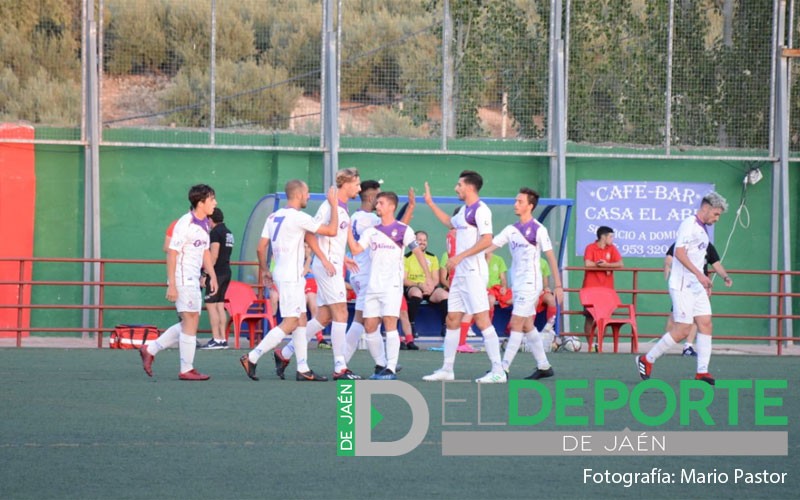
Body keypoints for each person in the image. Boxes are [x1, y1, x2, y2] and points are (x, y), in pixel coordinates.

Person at [239, 180, 339, 382]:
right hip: (292, 276)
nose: (309, 196)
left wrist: (266, 270)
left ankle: (303, 368)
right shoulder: (299, 217)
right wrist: (334, 205)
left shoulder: (273, 216)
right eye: (308, 193)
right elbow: (331, 230)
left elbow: (261, 248)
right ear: (299, 194)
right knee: (292, 321)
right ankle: (252, 356)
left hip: (284, 274)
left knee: (301, 318)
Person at [272, 168, 362, 381]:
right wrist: (322, 258)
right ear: (346, 184)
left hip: (333, 264)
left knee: (325, 316)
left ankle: (284, 353)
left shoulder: (343, 207)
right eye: (357, 183)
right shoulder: (329, 206)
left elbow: (335, 238)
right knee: (342, 313)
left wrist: (344, 257)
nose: (359, 188)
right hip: (327, 267)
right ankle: (340, 367)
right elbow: (310, 233)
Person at [422, 170, 506, 383]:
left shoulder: (481, 210)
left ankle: (498, 371)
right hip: (460, 275)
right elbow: (450, 223)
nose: (456, 188)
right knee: (452, 319)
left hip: (474, 273)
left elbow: (488, 239)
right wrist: (430, 203)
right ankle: (447, 369)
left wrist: (460, 257)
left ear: (469, 187)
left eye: (459, 185)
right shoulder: (464, 212)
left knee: (481, 319)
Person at [637, 192, 729, 386]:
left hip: (696, 286)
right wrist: (700, 274)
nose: (717, 218)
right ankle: (647, 359)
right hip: (682, 284)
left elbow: (703, 258)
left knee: (706, 323)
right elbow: (679, 253)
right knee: (682, 330)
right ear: (706, 208)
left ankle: (702, 371)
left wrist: (714, 277)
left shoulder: (703, 230)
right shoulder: (689, 224)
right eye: (716, 214)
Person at [139, 184, 218, 381]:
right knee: (190, 321)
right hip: (182, 277)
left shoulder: (205, 223)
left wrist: (213, 275)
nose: (215, 203)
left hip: (193, 277)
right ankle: (186, 369)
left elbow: (205, 252)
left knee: (189, 321)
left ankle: (150, 349)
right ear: (200, 203)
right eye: (212, 199)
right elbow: (171, 253)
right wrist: (172, 284)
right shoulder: (185, 223)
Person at [349, 191, 431, 380]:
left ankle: (391, 368)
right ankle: (380, 364)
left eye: (381, 203)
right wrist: (345, 229)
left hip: (392, 286)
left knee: (390, 324)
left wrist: (428, 277)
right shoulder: (371, 231)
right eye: (377, 203)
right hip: (372, 286)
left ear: (392, 207)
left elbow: (417, 252)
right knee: (369, 326)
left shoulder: (403, 230)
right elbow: (355, 249)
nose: (377, 206)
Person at [488, 188, 564, 379]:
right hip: (518, 284)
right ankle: (544, 366)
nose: (516, 204)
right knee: (528, 324)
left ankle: (503, 369)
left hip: (532, 284)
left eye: (520, 201)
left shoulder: (539, 229)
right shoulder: (511, 230)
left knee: (516, 323)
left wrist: (558, 286)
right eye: (515, 201)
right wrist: (472, 257)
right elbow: (490, 248)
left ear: (530, 206)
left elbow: (551, 258)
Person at [344, 180, 416, 364]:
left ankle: (381, 363)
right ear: (370, 197)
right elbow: (396, 232)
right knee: (363, 322)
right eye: (379, 197)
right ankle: (344, 363)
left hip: (359, 273)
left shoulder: (355, 216)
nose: (379, 203)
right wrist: (409, 210)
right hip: (368, 274)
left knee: (366, 321)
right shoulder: (370, 220)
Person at [663, 241, 732, 357]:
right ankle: (663, 345)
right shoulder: (682, 242)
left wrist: (725, 276)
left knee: (698, 317)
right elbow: (669, 257)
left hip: (699, 288)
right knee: (674, 318)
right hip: (683, 286)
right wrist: (668, 266)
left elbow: (716, 264)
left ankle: (688, 347)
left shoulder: (707, 246)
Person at [581, 226, 623, 344]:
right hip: (590, 288)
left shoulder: (612, 248)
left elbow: (620, 264)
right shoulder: (590, 247)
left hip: (607, 289)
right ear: (603, 237)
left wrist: (606, 265)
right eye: (610, 236)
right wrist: (601, 265)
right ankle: (590, 344)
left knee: (604, 318)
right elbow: (588, 264)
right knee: (589, 317)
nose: (612, 239)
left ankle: (599, 344)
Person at [404, 230, 447, 343]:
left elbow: (436, 279)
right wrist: (419, 285)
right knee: (416, 293)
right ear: (414, 241)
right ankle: (411, 325)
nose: (422, 242)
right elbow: (404, 280)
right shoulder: (406, 258)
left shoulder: (432, 258)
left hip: (429, 288)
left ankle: (446, 326)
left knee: (444, 295)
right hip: (414, 286)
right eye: (419, 240)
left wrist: (430, 288)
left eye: (424, 240)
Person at [202, 208, 234, 349]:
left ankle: (216, 338)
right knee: (220, 305)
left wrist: (205, 274)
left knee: (211, 306)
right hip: (226, 271)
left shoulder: (215, 232)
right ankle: (222, 340)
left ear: (210, 219)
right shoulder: (228, 232)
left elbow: (213, 255)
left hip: (217, 273)